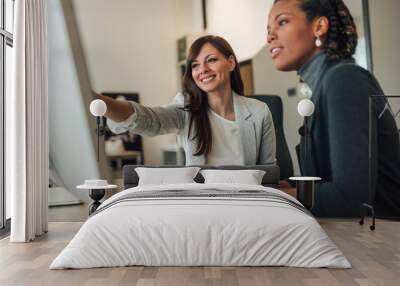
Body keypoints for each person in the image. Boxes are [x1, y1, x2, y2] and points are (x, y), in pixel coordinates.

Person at [267, 0, 400, 217]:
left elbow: (349, 199)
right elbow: (326, 177)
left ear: (319, 27)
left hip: (381, 240)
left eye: (282, 22)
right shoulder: (325, 86)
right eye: (268, 29)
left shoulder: (344, 79)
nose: (270, 36)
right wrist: (285, 185)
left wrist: (279, 196)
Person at [94, 35, 276, 166]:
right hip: (201, 202)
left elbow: (269, 172)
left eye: (211, 60)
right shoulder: (186, 107)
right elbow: (149, 120)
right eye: (195, 65)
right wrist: (98, 101)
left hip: (247, 202)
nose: (202, 69)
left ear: (230, 63)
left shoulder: (260, 111)